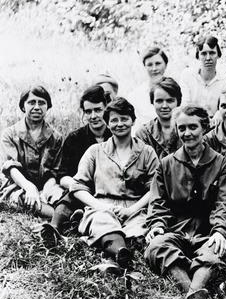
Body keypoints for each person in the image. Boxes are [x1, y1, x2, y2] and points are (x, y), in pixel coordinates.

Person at [144, 105, 226, 299]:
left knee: (215, 251)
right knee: (156, 246)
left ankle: (194, 293)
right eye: (182, 128)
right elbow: (158, 201)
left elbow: (224, 202)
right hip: (176, 230)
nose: (187, 133)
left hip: (207, 231)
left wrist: (220, 231)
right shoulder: (166, 164)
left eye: (193, 127)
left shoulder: (220, 163)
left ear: (204, 128)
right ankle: (192, 294)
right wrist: (157, 224)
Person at [70, 97, 159, 270]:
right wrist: (100, 206)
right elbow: (77, 186)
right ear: (107, 123)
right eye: (114, 120)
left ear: (133, 121)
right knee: (102, 221)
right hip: (102, 206)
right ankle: (121, 252)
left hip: (135, 208)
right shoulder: (95, 151)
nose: (120, 124)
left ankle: (118, 249)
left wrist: (132, 210)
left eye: (124, 119)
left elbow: (156, 187)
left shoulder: (146, 152)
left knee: (141, 228)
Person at [38, 86, 112, 246]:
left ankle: (79, 219)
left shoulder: (116, 135)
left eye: (98, 110)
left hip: (109, 189)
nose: (93, 116)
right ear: (83, 113)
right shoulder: (75, 139)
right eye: (88, 111)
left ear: (106, 107)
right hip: (81, 190)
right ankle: (54, 228)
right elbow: (63, 175)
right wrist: (75, 186)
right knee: (70, 195)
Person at [0, 86, 63, 219]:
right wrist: (29, 188)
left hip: (47, 184)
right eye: (31, 102)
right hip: (19, 185)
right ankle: (62, 217)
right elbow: (11, 168)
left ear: (48, 107)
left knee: (58, 195)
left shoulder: (56, 137)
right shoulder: (10, 134)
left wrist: (46, 191)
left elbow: (53, 172)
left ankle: (62, 211)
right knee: (24, 198)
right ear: (23, 106)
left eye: (41, 103)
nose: (36, 107)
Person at [179, 35, 226, 117]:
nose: (208, 58)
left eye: (212, 53)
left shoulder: (225, 81)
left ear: (218, 55)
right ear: (198, 56)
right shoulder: (187, 75)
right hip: (191, 120)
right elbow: (185, 105)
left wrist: (219, 113)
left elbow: (225, 106)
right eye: (204, 54)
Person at [136, 77, 182, 160]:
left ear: (178, 102)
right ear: (152, 102)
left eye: (170, 101)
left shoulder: (187, 128)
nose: (164, 106)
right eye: (159, 101)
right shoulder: (143, 134)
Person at [128, 46, 170, 128]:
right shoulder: (135, 96)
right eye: (149, 65)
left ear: (165, 65)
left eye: (158, 64)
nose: (154, 68)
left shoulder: (177, 91)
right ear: (144, 67)